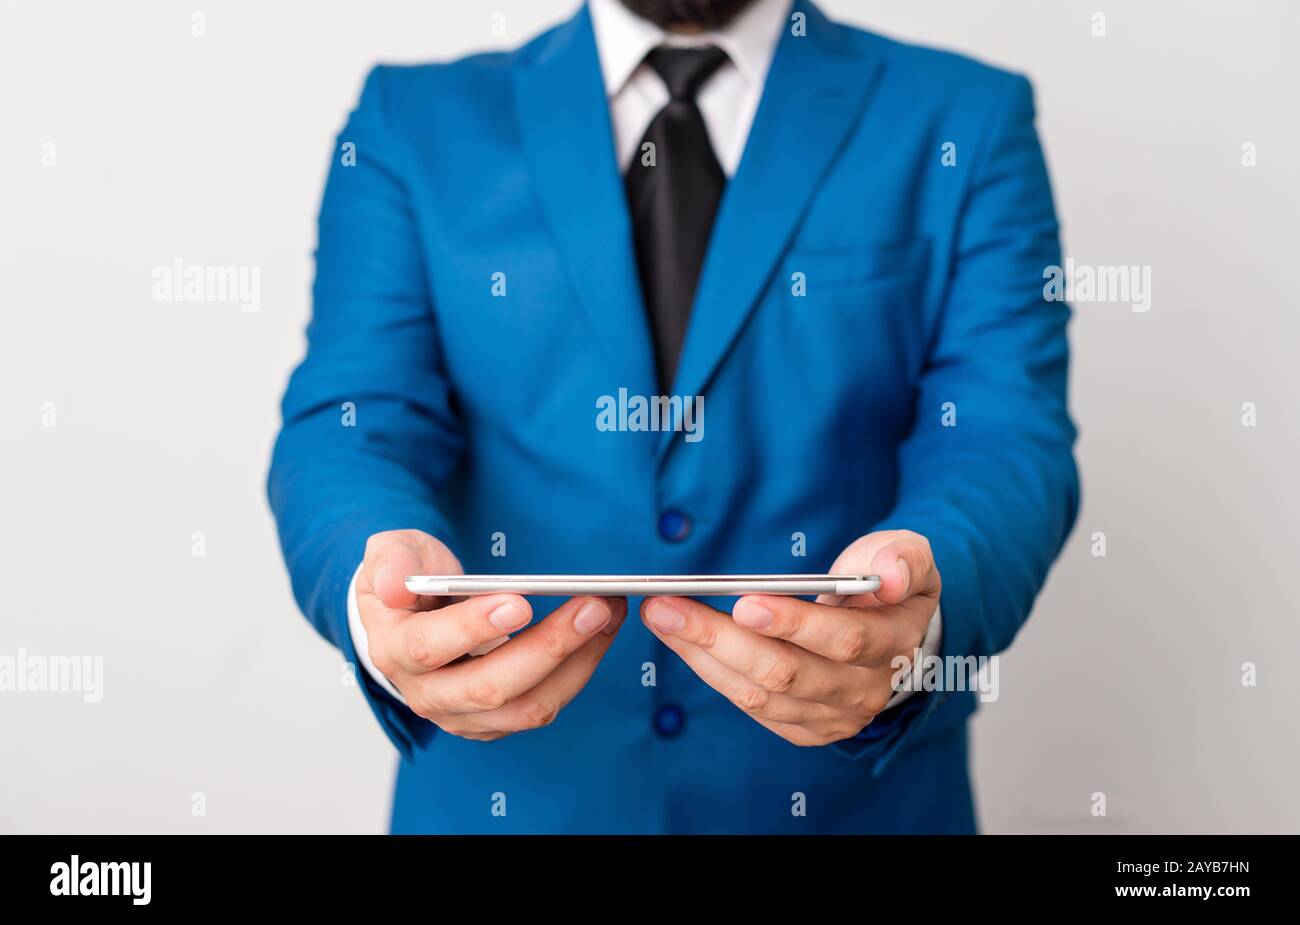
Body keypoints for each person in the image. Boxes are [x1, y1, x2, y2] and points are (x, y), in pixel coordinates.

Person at [268, 0, 1078, 833]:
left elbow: (1004, 433)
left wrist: (924, 610)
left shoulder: (966, 118)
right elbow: (350, 420)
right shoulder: (410, 124)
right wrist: (379, 593)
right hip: (512, 802)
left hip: (855, 805)